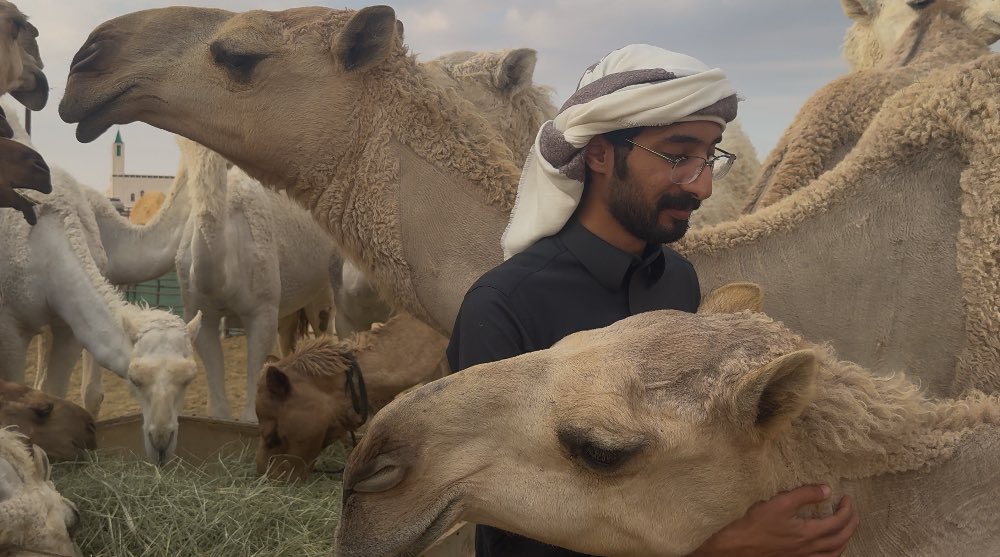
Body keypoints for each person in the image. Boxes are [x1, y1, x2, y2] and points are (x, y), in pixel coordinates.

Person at [446, 44, 860, 557]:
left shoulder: (678, 282)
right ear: (598, 153)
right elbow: (510, 535)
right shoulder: (502, 305)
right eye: (678, 155)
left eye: (710, 156)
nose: (703, 185)